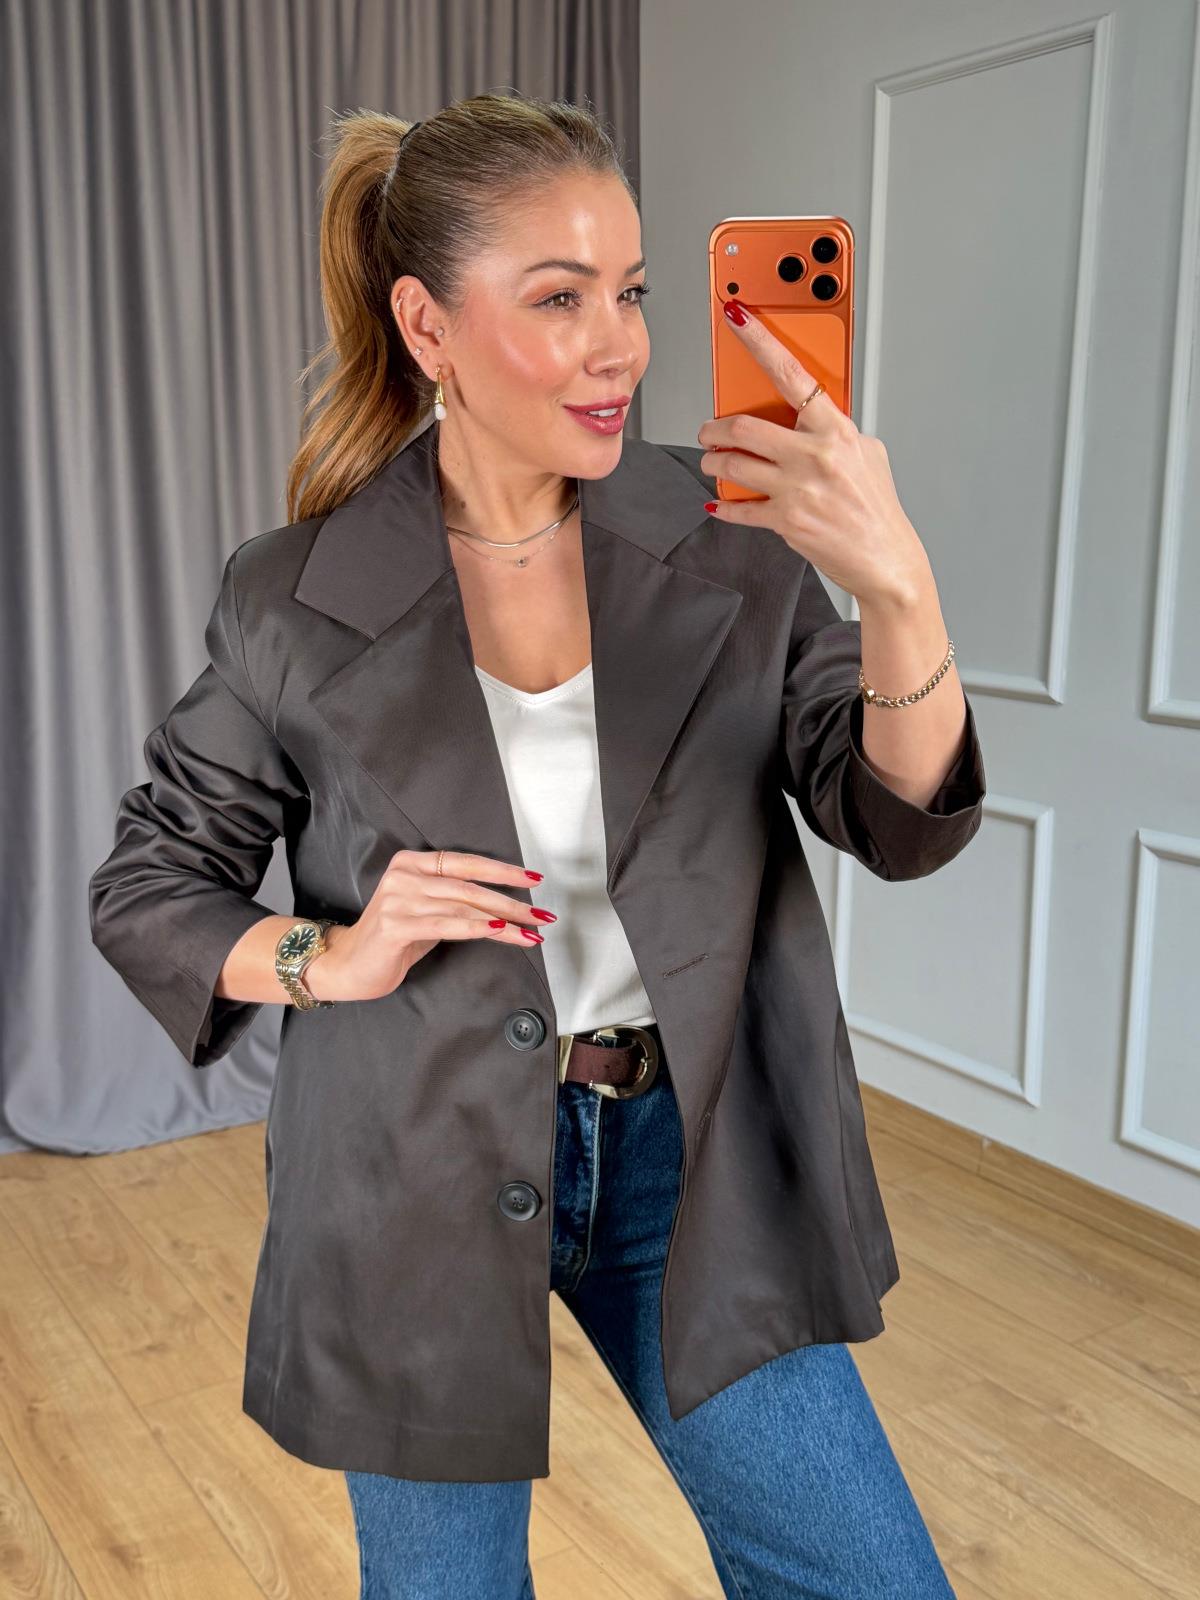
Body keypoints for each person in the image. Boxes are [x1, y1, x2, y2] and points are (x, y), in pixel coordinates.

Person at [91, 90, 982, 1598]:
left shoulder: (735, 536)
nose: (619, 344)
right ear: (427, 326)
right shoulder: (290, 593)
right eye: (560, 299)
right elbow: (151, 886)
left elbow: (891, 813)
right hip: (419, 1166)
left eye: (632, 292)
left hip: (689, 1161)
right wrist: (329, 954)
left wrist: (899, 587)